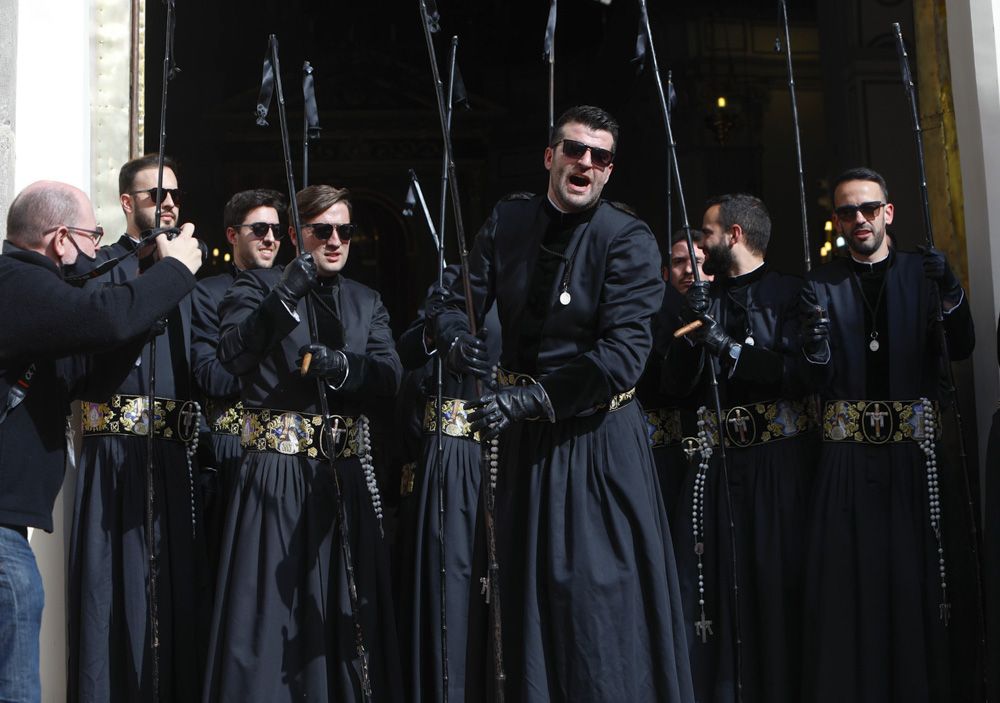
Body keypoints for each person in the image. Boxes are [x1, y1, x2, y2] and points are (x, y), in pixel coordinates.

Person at [435, 105, 693, 702]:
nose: (586, 163)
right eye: (574, 150)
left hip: (595, 444)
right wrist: (454, 341)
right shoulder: (509, 219)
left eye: (600, 157)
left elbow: (623, 355)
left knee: (595, 603)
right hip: (522, 447)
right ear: (550, 157)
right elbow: (454, 300)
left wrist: (531, 398)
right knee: (518, 602)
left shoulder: (627, 238)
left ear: (609, 172)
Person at [0, 180, 202, 703]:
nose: (98, 248)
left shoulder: (30, 297)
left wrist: (152, 293)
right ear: (61, 239)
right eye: (94, 236)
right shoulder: (16, 282)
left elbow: (85, 370)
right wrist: (177, 270)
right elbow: (101, 318)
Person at [205, 184, 404, 702]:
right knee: (270, 616)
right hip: (276, 474)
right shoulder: (256, 288)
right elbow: (231, 356)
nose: (336, 241)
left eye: (345, 230)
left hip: (343, 476)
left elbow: (390, 378)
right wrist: (285, 295)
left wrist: (347, 369)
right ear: (298, 236)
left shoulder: (366, 301)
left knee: (345, 612)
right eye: (322, 231)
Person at [799, 167, 976, 702]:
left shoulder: (919, 274)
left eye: (869, 209)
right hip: (847, 459)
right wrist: (812, 344)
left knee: (913, 574)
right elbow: (809, 375)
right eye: (847, 211)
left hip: (911, 456)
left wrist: (950, 292)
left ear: (888, 213)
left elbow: (961, 347)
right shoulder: (820, 284)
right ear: (836, 220)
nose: (859, 220)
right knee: (850, 577)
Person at [662, 194, 816, 703]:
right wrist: (691, 331)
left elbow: (798, 375)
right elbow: (673, 387)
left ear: (734, 235)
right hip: (718, 466)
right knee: (712, 593)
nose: (699, 250)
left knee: (777, 587)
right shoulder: (701, 302)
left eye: (706, 235)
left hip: (778, 465)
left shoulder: (794, 293)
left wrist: (728, 347)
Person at [67, 154, 207, 702]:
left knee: (174, 599)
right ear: (127, 202)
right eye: (155, 195)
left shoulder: (196, 276)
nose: (169, 203)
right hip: (112, 456)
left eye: (174, 194)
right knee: (108, 597)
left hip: (175, 460)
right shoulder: (96, 270)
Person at [393, 266, 501, 702]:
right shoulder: (456, 281)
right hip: (452, 467)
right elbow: (409, 355)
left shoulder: (534, 279)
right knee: (452, 594)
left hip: (514, 457)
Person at [190, 188, 285, 579]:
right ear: (232, 235)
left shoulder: (299, 293)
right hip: (234, 449)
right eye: (259, 228)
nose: (270, 239)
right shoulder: (208, 293)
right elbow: (210, 375)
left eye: (277, 231)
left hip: (290, 458)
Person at [638, 229, 713, 519]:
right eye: (680, 262)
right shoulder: (652, 319)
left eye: (698, 261)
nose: (689, 270)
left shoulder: (727, 309)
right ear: (666, 273)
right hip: (667, 457)